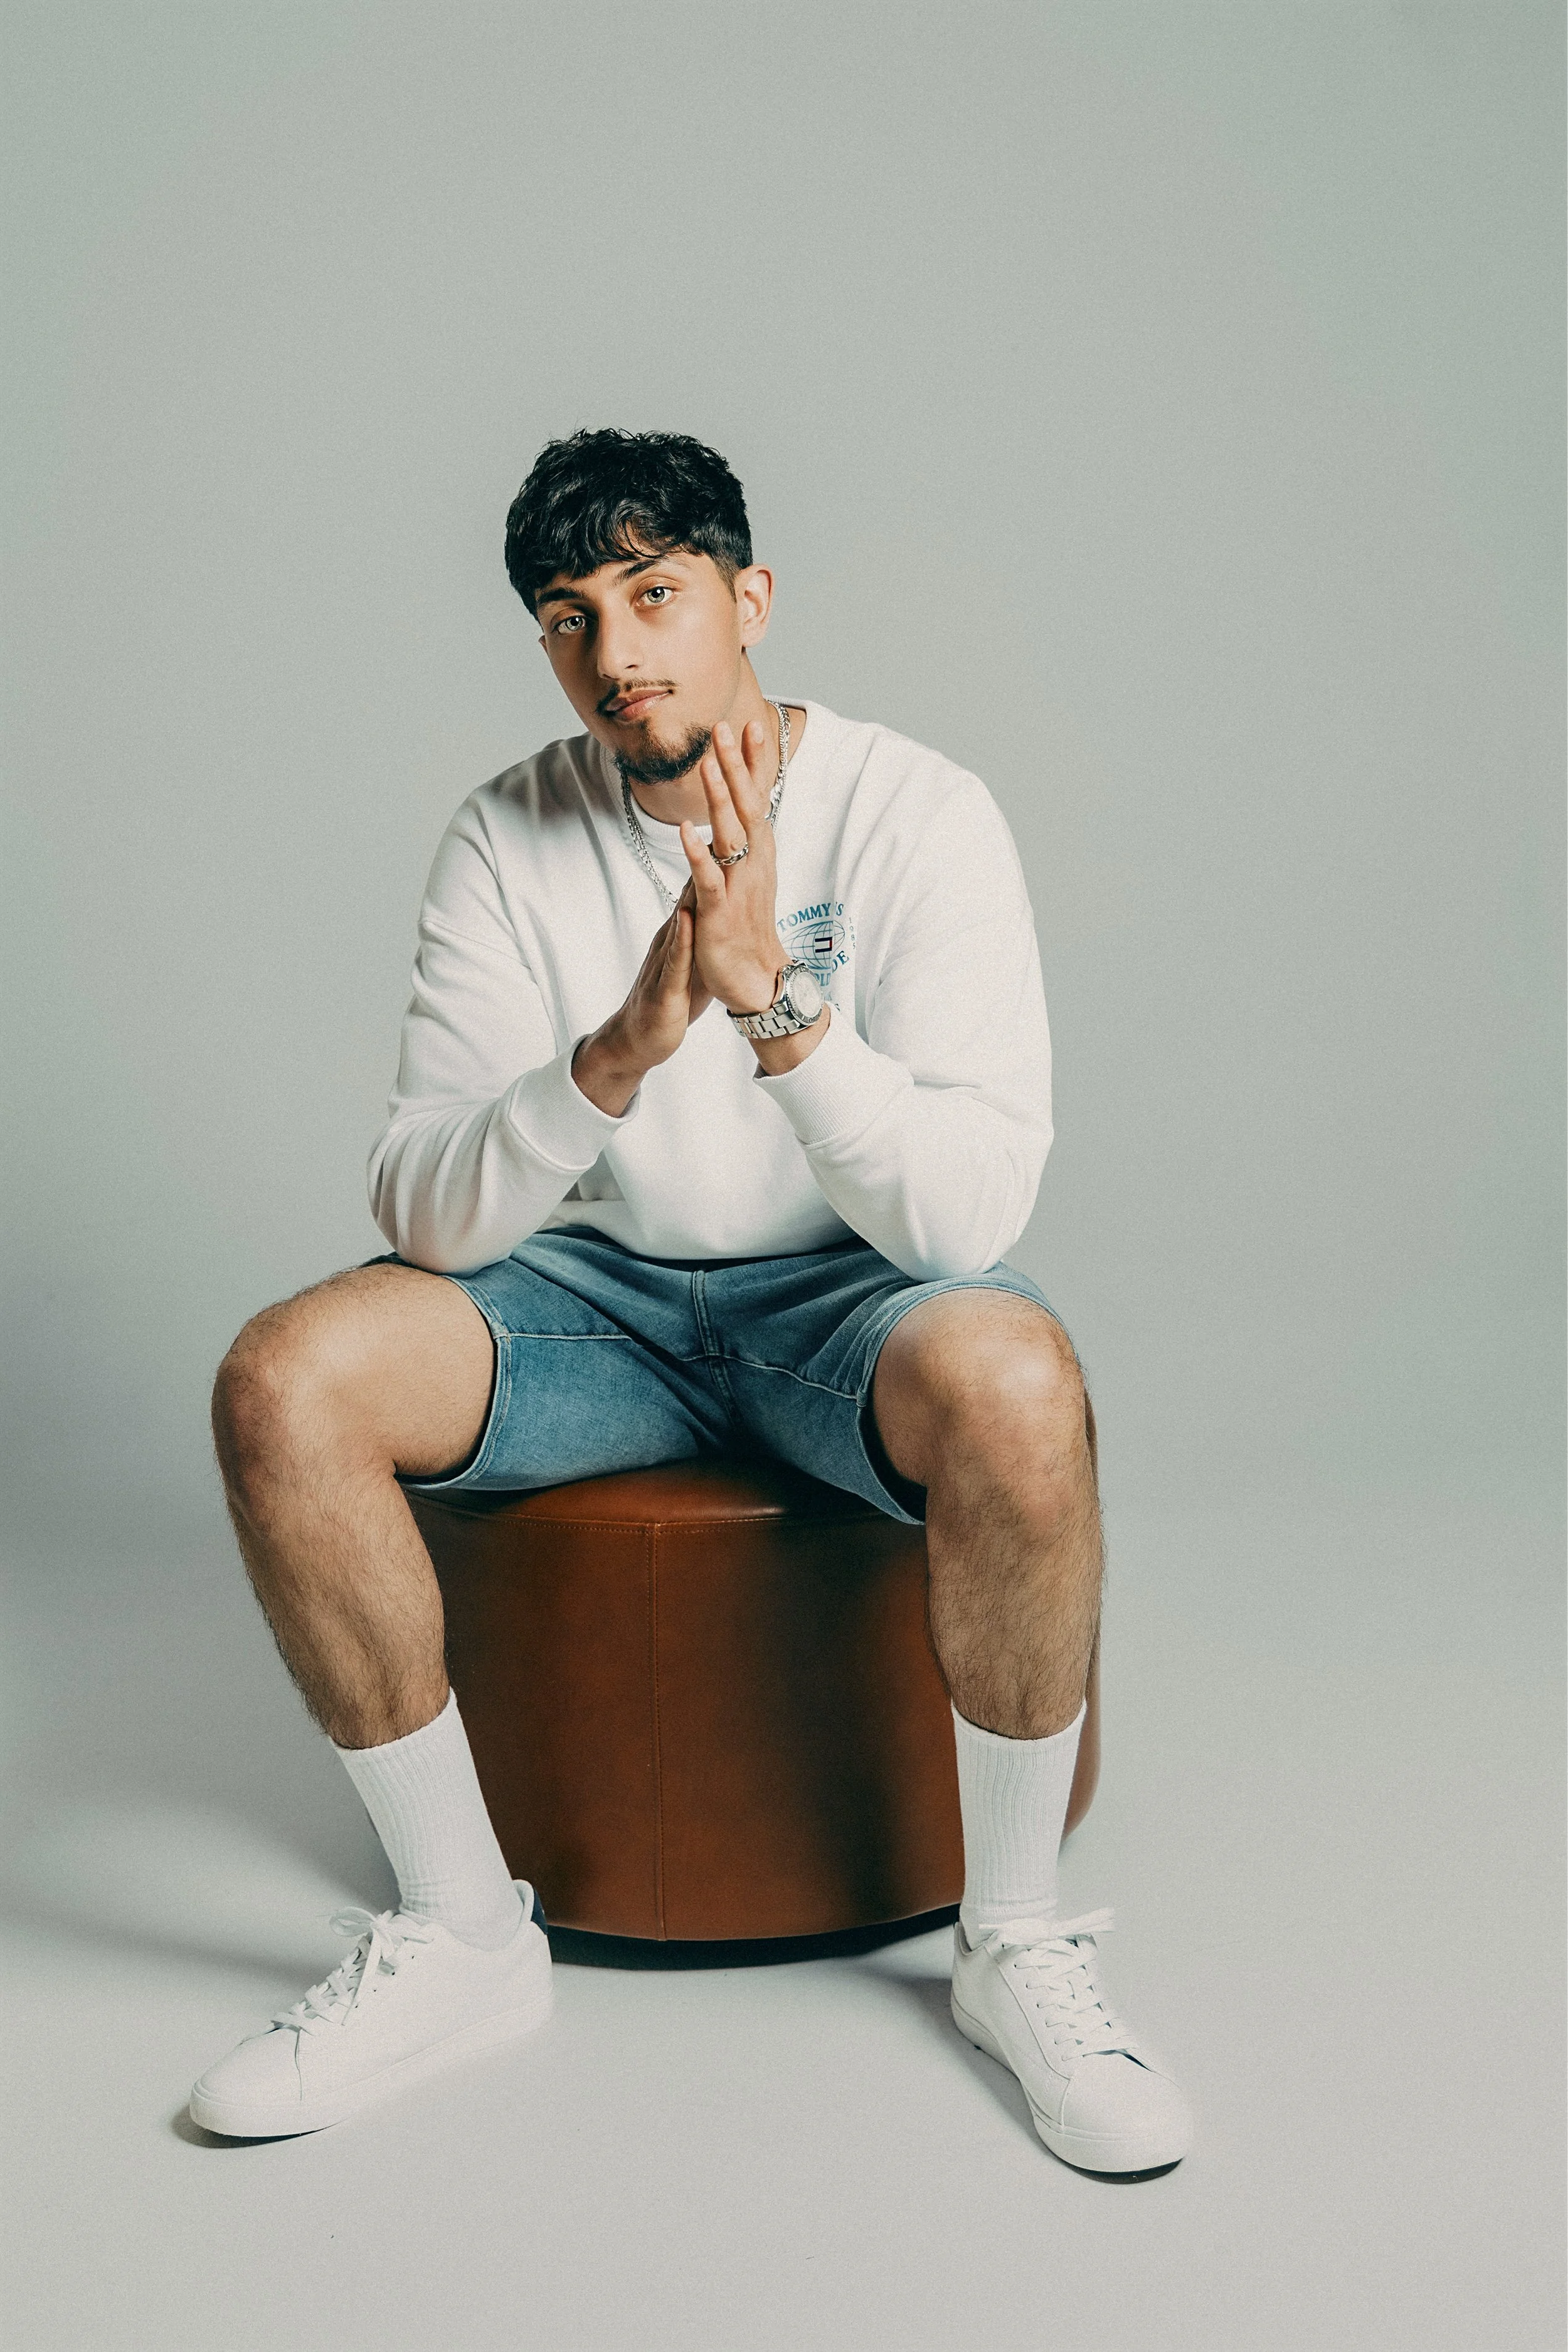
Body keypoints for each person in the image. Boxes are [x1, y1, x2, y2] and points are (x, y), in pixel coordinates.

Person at [190, 428, 1192, 2175]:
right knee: (286, 1380)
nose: (620, 654)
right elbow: (424, 1207)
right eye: (572, 616)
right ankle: (460, 1936)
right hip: (599, 1300)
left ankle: (1015, 1939)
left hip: (852, 1297)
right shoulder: (507, 831)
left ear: (751, 597)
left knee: (1022, 1383)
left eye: (657, 597)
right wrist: (621, 1047)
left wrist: (775, 1011)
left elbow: (964, 1212)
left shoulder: (917, 808)